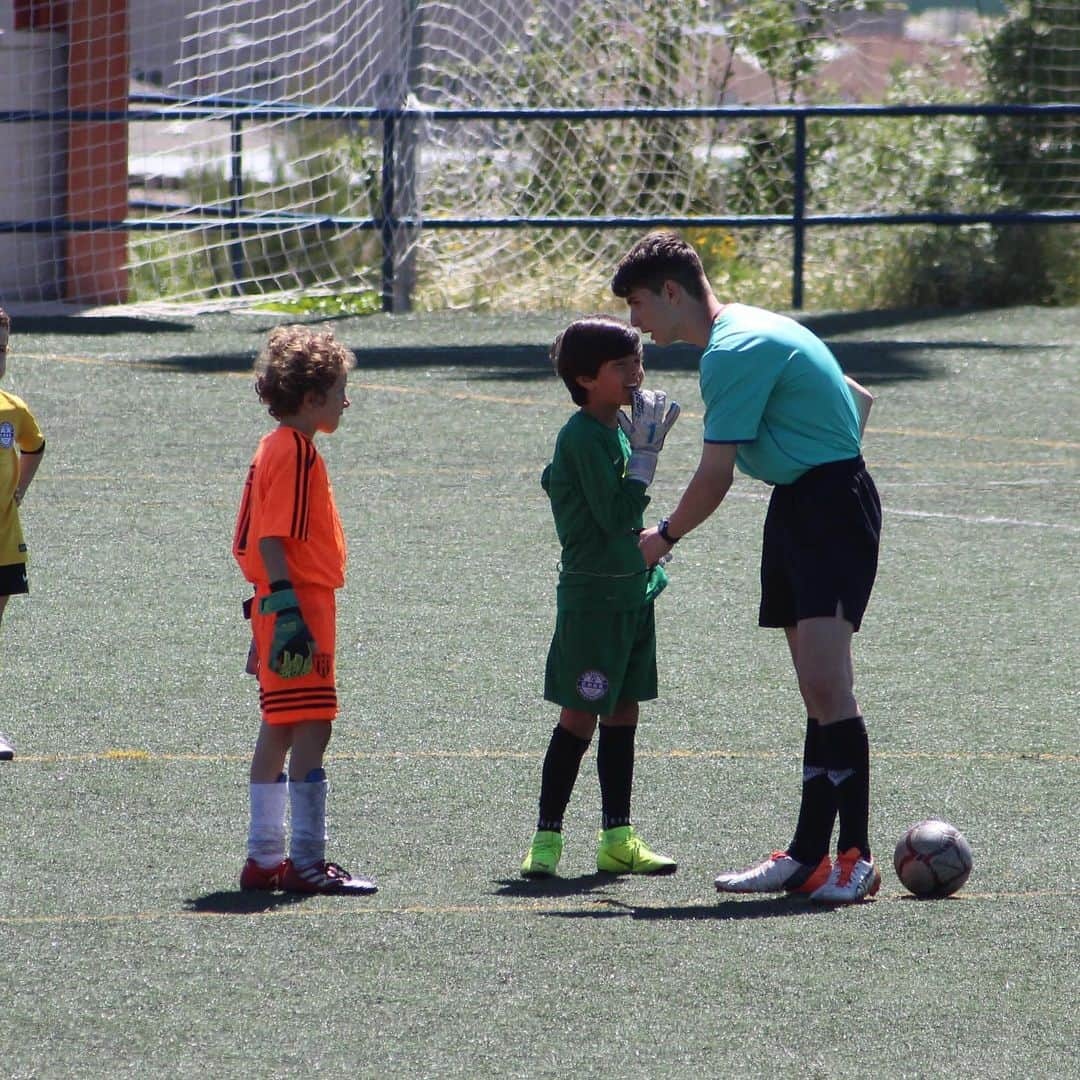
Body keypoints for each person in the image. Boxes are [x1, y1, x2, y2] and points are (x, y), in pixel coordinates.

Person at [611, 232, 881, 904]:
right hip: (802, 503)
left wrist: (664, 536)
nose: (635, 322)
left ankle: (855, 859)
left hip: (827, 507)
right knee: (818, 692)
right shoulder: (751, 329)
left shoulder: (733, 349)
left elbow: (716, 474)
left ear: (672, 292)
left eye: (640, 304)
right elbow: (856, 395)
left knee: (828, 685)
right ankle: (806, 856)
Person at [520, 314, 681, 879]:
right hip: (592, 601)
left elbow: (623, 528)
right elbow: (615, 514)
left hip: (631, 594)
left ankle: (618, 836)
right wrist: (644, 461)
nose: (636, 373)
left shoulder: (616, 425)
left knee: (623, 710)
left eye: (638, 360)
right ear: (586, 379)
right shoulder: (582, 435)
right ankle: (546, 837)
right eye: (621, 366)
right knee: (580, 714)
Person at [233, 325, 376, 895]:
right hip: (299, 604)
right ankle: (306, 860)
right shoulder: (294, 450)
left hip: (278, 602)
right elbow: (271, 538)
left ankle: (264, 858)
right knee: (312, 726)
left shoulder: (273, 446)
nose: (347, 399)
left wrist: (269, 616)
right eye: (340, 389)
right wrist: (290, 613)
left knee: (280, 727)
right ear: (312, 397)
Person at [0, 308, 46, 762]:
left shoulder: (12, 409)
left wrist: (19, 490)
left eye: (2, 349)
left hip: (4, 541)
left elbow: (34, 446)